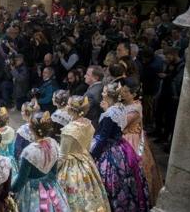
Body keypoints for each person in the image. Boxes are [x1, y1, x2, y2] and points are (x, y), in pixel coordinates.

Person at [90, 83, 150, 212]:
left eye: (104, 92)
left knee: (110, 182)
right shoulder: (120, 107)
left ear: (108, 95)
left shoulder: (111, 113)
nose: (102, 93)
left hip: (110, 150)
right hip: (121, 147)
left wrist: (92, 154)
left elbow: (102, 137)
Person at [57, 95, 110, 212]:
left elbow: (62, 156)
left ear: (71, 109)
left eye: (68, 105)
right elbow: (86, 147)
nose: (66, 106)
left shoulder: (69, 130)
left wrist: (52, 171)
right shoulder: (88, 124)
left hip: (71, 167)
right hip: (86, 162)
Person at [11, 111, 71, 212]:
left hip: (30, 191)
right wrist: (50, 184)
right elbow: (53, 172)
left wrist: (11, 190)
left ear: (30, 128)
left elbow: (21, 179)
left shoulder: (29, 152)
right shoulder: (54, 143)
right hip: (49, 185)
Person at [120, 77, 163, 207]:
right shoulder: (126, 103)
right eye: (122, 90)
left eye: (126, 91)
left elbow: (120, 124)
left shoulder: (135, 107)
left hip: (131, 139)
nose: (122, 92)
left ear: (133, 94)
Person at [0, 107, 18, 181]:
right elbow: (11, 149)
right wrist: (11, 159)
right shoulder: (11, 131)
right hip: (6, 158)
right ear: (6, 119)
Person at [14, 97, 40, 161]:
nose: (21, 113)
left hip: (26, 160)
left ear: (27, 113)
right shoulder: (39, 125)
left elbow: (17, 149)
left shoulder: (22, 130)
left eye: (22, 111)